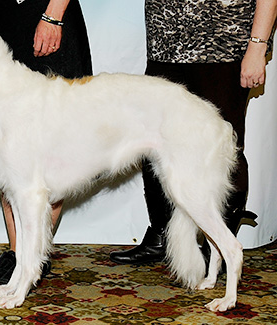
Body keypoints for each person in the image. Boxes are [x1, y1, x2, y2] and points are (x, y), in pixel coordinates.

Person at [110, 0, 277, 265]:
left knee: (224, 148)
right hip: (164, 44)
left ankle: (220, 249)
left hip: (223, 45)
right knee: (152, 143)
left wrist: (258, 46)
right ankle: (163, 236)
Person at [0, 0, 92, 283]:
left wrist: (53, 17)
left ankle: (33, 255)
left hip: (50, 19)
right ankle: (19, 255)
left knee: (54, 151)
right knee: (8, 152)